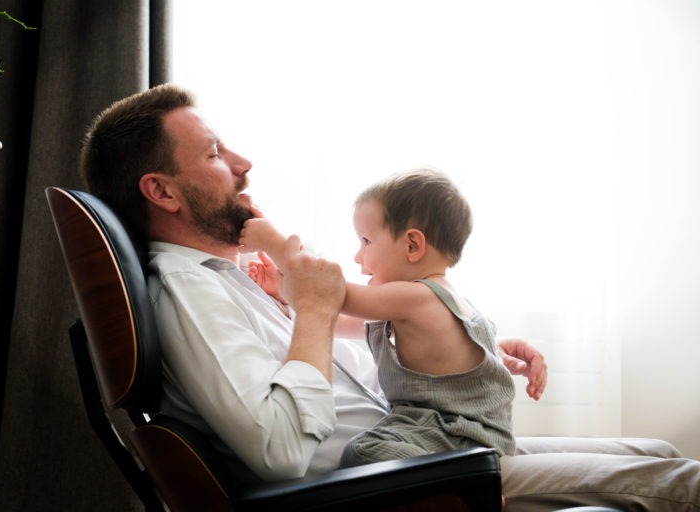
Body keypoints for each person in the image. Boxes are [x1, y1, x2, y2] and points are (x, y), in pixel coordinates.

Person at [78, 83, 700, 511]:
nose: (244, 162)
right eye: (215, 153)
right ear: (161, 191)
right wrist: (317, 307)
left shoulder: (232, 279)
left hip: (431, 445)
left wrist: (464, 348)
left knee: (655, 452)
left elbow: (368, 342)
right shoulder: (189, 292)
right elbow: (278, 451)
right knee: (677, 482)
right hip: (402, 483)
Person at [239, 167, 516, 466]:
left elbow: (330, 292)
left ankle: (468, 484)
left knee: (363, 451)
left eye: (366, 242)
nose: (358, 256)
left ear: (412, 246)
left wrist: (272, 242)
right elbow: (334, 315)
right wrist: (284, 291)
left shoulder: (419, 298)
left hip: (457, 437)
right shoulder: (416, 303)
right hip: (441, 431)